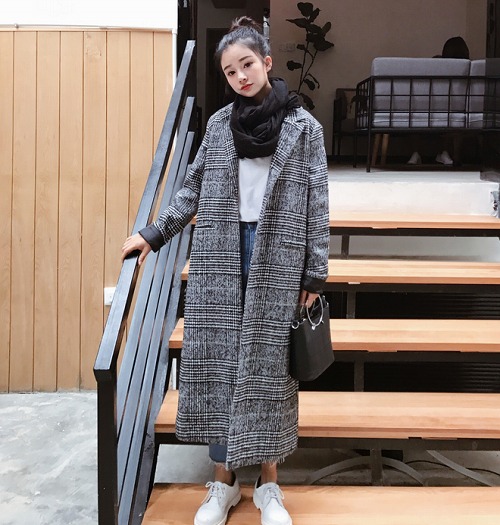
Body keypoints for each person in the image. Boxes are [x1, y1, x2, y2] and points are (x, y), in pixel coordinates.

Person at [121, 16, 329, 525]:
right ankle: (223, 482)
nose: (240, 76)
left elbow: (318, 203)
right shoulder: (218, 126)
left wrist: (314, 273)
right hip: (220, 252)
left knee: (269, 370)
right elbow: (192, 188)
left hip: (279, 255)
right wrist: (155, 232)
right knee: (220, 367)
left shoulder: (304, 128)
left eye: (247, 65)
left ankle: (268, 485)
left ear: (267, 62)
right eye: (230, 71)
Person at [407, 36, 470, 166]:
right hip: (454, 110)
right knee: (456, 118)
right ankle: (452, 155)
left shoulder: (435, 65)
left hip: (429, 106)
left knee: (416, 113)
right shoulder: (468, 68)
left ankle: (416, 153)